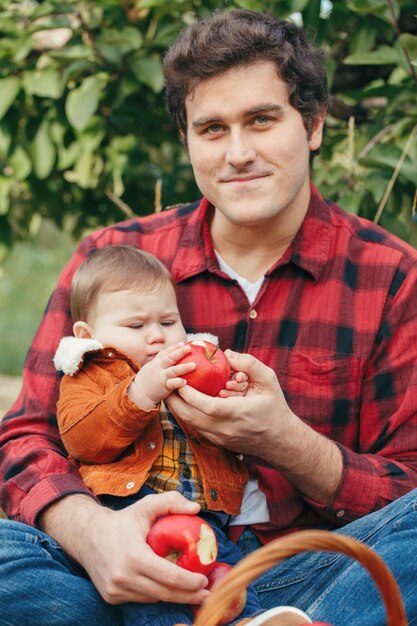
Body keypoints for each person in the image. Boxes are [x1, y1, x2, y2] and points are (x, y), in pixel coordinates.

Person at [1, 8, 417, 626]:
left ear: (315, 125)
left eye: (262, 119)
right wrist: (94, 537)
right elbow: (24, 438)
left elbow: (406, 489)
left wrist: (288, 442)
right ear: (188, 141)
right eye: (213, 128)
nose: (239, 153)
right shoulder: (116, 261)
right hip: (132, 565)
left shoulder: (390, 278)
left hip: (308, 578)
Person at [52, 243, 262, 625]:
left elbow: (227, 434)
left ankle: (260, 620)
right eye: (136, 326)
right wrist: (139, 394)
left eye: (168, 323)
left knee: (231, 579)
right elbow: (83, 440)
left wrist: (232, 393)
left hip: (203, 513)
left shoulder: (191, 366)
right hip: (130, 511)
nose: (157, 337)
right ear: (88, 333)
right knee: (153, 592)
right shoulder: (87, 373)